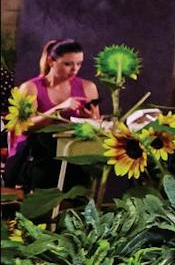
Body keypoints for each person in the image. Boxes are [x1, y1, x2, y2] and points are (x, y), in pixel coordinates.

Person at [4, 39, 102, 188]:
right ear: (51, 61)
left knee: (84, 171)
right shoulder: (30, 87)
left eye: (79, 64)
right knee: (46, 172)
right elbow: (25, 127)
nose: (74, 69)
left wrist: (90, 117)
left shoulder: (88, 87)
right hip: (38, 156)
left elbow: (97, 123)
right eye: (68, 64)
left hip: (75, 153)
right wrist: (58, 109)